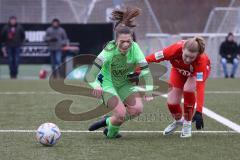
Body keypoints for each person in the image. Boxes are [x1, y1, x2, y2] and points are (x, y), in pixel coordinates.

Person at [86, 7, 153, 138]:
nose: (126, 45)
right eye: (122, 41)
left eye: (129, 41)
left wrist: (149, 89)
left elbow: (146, 70)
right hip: (108, 84)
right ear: (115, 41)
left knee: (137, 109)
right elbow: (90, 75)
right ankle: (112, 130)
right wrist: (96, 86)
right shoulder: (108, 51)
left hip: (124, 84)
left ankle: (108, 122)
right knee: (121, 114)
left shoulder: (135, 48)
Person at [146, 37, 211, 138]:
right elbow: (152, 58)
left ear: (197, 55)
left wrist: (199, 111)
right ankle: (179, 121)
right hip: (178, 70)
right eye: (186, 56)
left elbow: (200, 86)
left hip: (194, 73)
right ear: (182, 49)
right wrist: (135, 68)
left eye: (192, 57)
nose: (188, 60)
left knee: (188, 89)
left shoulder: (201, 60)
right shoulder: (173, 50)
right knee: (172, 103)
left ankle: (187, 123)